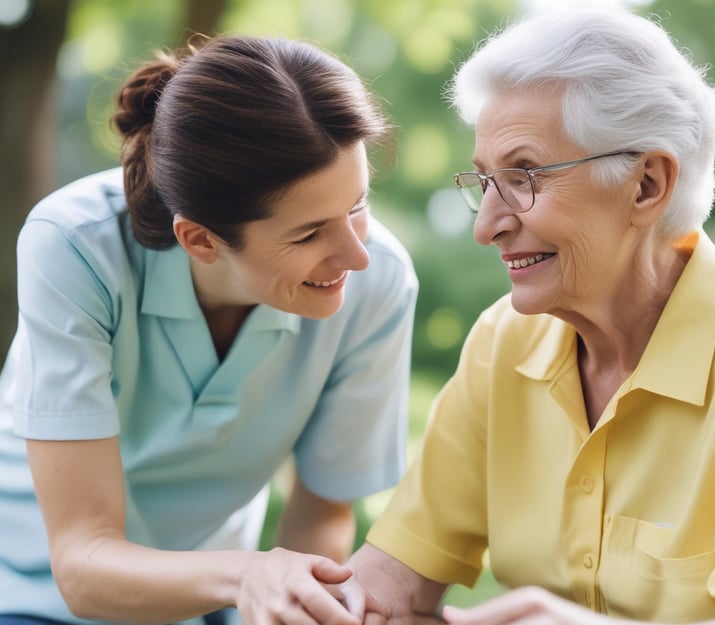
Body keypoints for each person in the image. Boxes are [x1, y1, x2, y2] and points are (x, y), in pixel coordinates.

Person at [292, 6, 715, 625]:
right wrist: (321, 604)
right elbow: (392, 583)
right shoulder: (504, 340)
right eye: (485, 182)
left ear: (647, 185)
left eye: (525, 176)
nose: (486, 226)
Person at [0, 34, 418, 625]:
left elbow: (322, 514)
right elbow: (81, 562)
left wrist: (293, 603)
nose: (358, 256)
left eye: (358, 206)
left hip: (217, 596)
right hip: (30, 593)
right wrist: (248, 574)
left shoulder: (380, 285)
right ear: (199, 239)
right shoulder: (75, 247)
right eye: (308, 233)